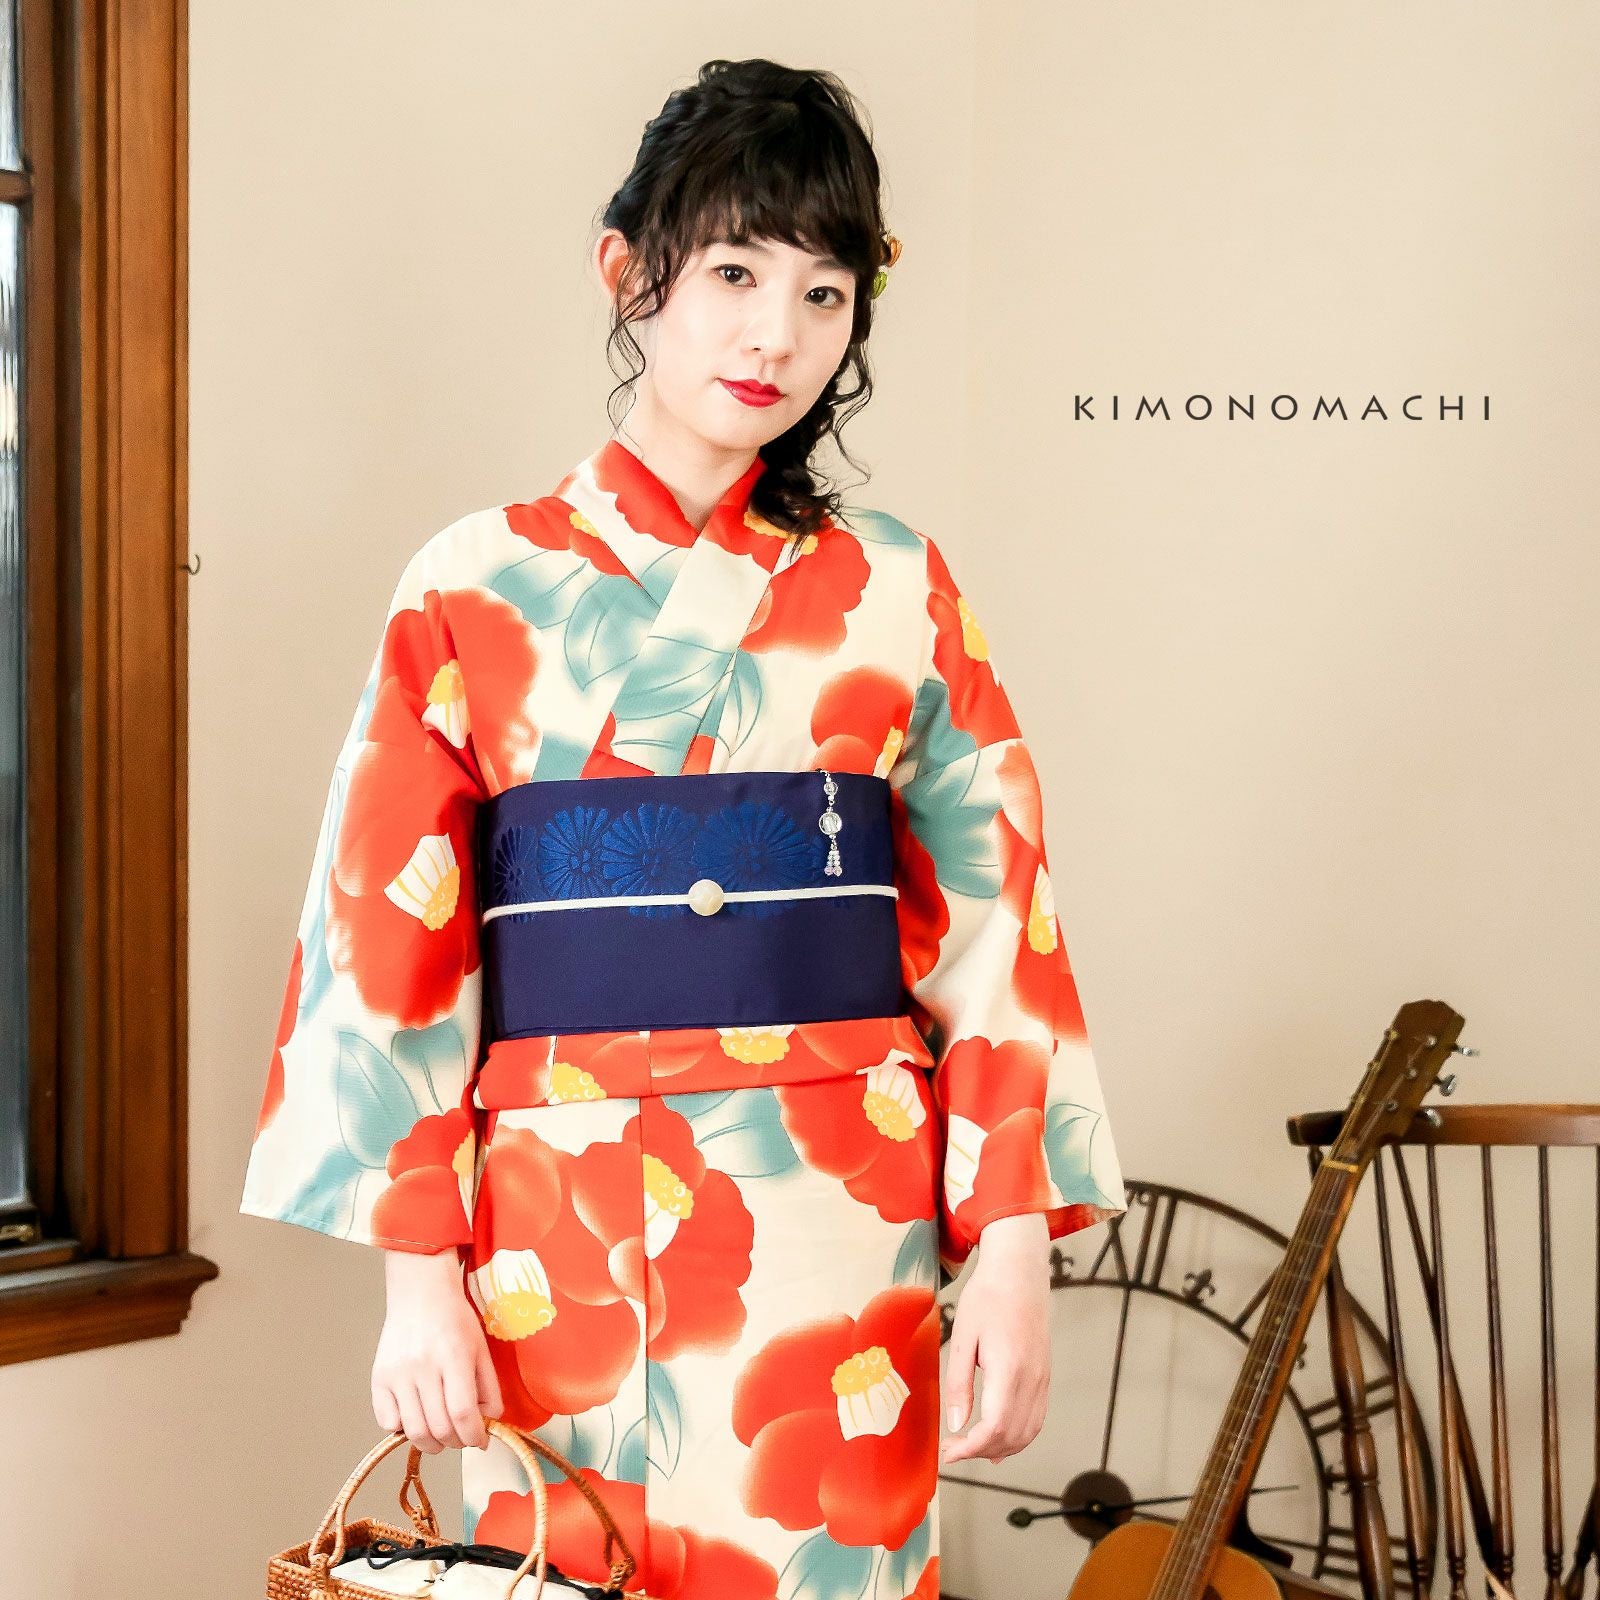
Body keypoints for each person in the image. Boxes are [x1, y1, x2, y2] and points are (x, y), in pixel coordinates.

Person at [240, 56, 1125, 1600]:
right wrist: (418, 1287)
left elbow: (1000, 931)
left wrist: (1013, 1257)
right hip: (553, 1231)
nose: (777, 334)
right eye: (733, 274)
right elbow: (390, 949)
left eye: (825, 293)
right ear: (628, 272)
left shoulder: (897, 589)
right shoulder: (471, 584)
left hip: (839, 1220)